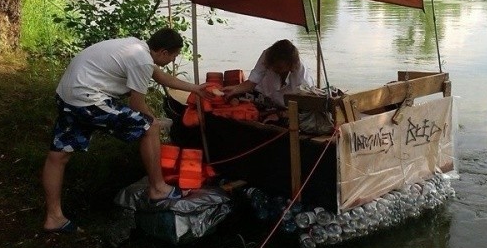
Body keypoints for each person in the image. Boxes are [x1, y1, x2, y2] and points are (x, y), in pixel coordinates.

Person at [42, 27, 207, 233]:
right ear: (163, 52)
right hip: (87, 99)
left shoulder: (136, 46)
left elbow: (161, 77)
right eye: (173, 55)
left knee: (58, 156)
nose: (173, 60)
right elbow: (137, 104)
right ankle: (158, 188)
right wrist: (154, 121)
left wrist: (195, 88)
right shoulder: (142, 60)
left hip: (68, 95)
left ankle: (53, 218)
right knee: (149, 127)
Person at [221, 39, 313, 110]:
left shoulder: (301, 72)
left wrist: (280, 114)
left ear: (291, 65)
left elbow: (304, 103)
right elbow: (252, 81)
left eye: (279, 67)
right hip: (265, 97)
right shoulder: (267, 55)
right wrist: (235, 89)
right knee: (231, 97)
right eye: (272, 66)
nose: (274, 69)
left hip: (289, 107)